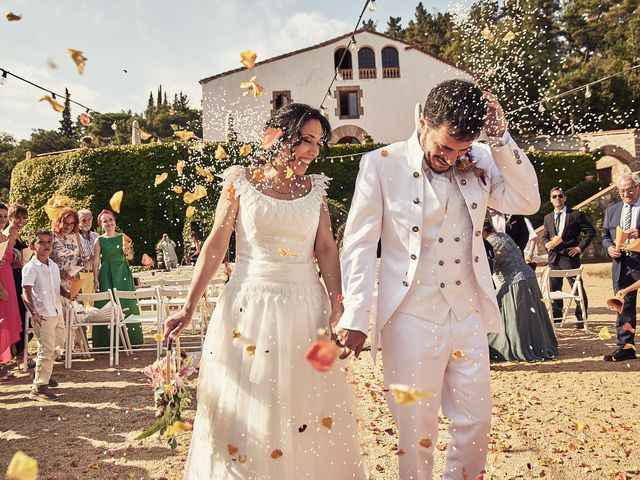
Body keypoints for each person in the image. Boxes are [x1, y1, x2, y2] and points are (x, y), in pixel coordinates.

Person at [337, 79, 540, 480]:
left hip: (466, 313)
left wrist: (500, 140)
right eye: (445, 147)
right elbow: (359, 244)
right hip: (410, 316)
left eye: (461, 150)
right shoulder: (381, 162)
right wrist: (356, 315)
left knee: (477, 421)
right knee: (416, 430)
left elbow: (527, 200)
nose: (451, 159)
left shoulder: (480, 157)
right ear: (423, 121)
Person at [163, 104, 366, 479]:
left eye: (318, 142)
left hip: (307, 310)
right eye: (305, 140)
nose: (312, 150)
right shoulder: (240, 181)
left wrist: (339, 307)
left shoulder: (316, 188)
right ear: (279, 136)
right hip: (248, 310)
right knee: (250, 408)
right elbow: (215, 245)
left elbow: (325, 249)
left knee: (307, 404)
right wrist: (189, 306)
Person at [483, 218, 558, 362]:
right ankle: (537, 345)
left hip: (514, 282)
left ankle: (516, 347)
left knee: (514, 317)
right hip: (528, 277)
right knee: (528, 317)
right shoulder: (503, 236)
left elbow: (489, 268)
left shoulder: (492, 242)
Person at [22, 230, 69, 400]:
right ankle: (39, 387)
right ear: (32, 246)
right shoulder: (30, 267)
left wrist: (67, 293)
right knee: (47, 348)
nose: (46, 245)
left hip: (56, 311)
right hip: (42, 314)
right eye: (41, 242)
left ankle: (43, 372)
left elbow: (57, 287)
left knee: (59, 344)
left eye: (49, 242)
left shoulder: (54, 266)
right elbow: (25, 292)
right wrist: (34, 311)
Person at [542, 187, 595, 327]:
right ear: (551, 199)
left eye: (560, 196)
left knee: (577, 288)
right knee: (554, 290)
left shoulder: (576, 215)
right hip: (553, 258)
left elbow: (590, 232)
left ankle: (580, 318)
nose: (557, 199)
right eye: (554, 196)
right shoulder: (547, 218)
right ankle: (557, 319)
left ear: (565, 197)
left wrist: (579, 248)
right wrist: (547, 243)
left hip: (569, 257)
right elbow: (545, 235)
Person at [601, 173, 640, 362]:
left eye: (630, 190)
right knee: (624, 306)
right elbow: (605, 235)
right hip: (622, 264)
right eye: (623, 191)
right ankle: (626, 347)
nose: (627, 194)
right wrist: (609, 247)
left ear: (638, 187)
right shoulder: (612, 210)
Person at [92, 210, 142, 348]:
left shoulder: (123, 237)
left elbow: (130, 257)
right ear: (101, 224)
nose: (108, 223)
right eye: (105, 221)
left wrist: (129, 253)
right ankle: (106, 341)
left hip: (122, 273)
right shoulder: (99, 240)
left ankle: (132, 339)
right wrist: (95, 278)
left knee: (127, 302)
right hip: (106, 273)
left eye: (110, 220)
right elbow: (96, 261)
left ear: (114, 221)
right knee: (106, 303)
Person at [0, 203, 21, 380]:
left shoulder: (4, 236)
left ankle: (2, 364)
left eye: (5, 216)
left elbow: (9, 261)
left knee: (7, 322)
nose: (2, 219)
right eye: (0, 216)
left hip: (9, 280)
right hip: (0, 284)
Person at [50, 208, 84, 299]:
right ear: (59, 222)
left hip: (73, 281)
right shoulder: (52, 236)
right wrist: (58, 272)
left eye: (71, 223)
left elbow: (81, 258)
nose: (68, 226)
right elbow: (45, 259)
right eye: (65, 223)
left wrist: (75, 269)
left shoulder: (77, 237)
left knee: (76, 311)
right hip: (57, 281)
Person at [77, 209, 100, 296]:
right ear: (78, 220)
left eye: (89, 219)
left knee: (97, 305)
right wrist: (88, 258)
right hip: (82, 274)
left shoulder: (96, 236)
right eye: (83, 220)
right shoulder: (74, 236)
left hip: (96, 274)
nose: (87, 222)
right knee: (85, 306)